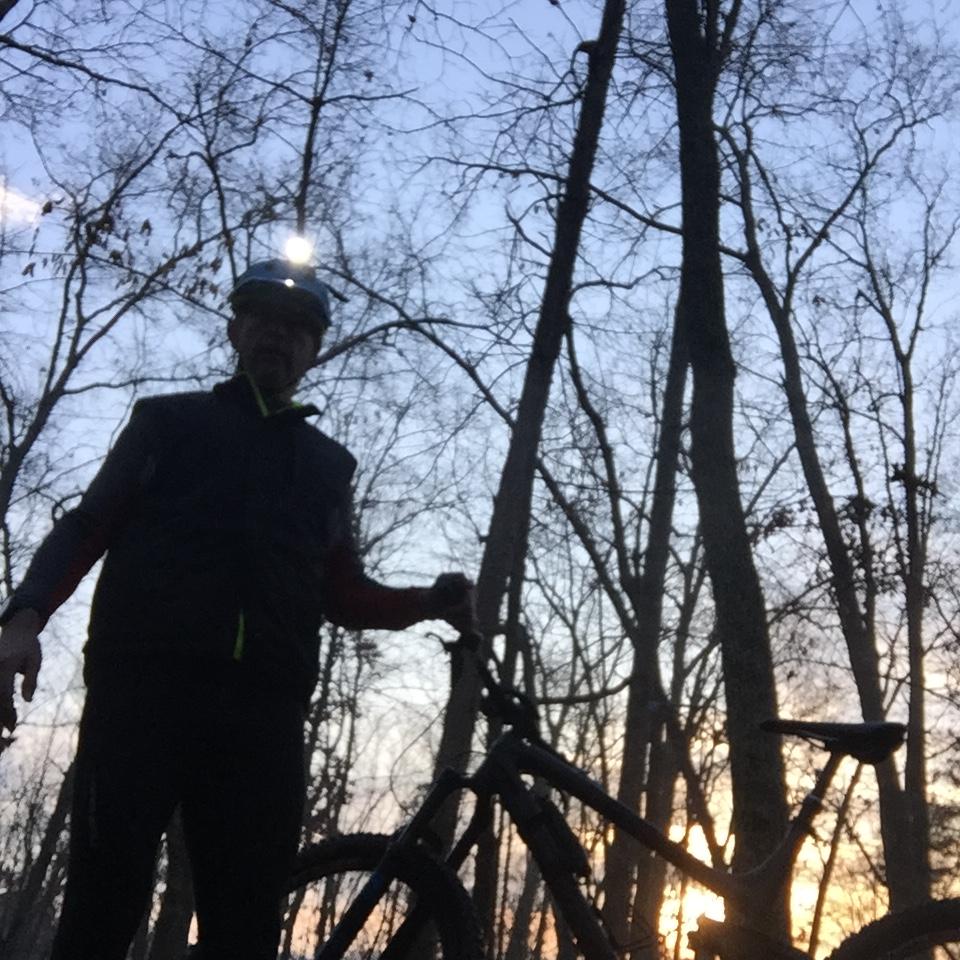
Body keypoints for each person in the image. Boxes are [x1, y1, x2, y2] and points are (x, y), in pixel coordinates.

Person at [0, 257, 476, 960]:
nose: (277, 338)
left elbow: (341, 592)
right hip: (143, 698)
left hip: (264, 720)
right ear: (235, 329)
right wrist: (22, 620)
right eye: (262, 321)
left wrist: (429, 604)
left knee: (245, 923)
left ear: (314, 352)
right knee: (103, 907)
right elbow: (88, 525)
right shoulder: (167, 425)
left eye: (297, 330)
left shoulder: (326, 467)